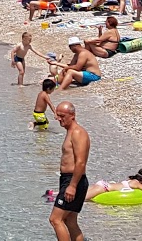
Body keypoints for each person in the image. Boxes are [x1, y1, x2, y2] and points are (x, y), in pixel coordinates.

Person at [50, 103, 89, 241]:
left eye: (62, 116)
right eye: (57, 115)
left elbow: (81, 162)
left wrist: (72, 186)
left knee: (55, 220)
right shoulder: (70, 132)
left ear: (72, 116)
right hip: (69, 179)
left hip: (74, 180)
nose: (59, 119)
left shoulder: (78, 132)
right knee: (70, 220)